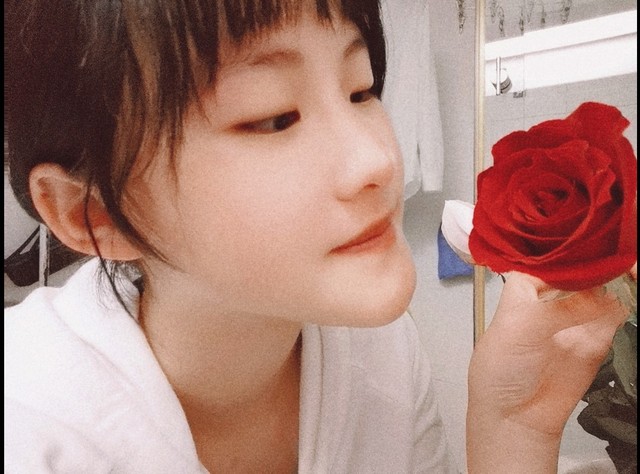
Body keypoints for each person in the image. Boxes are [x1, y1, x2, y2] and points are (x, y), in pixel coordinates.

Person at [4, 0, 630, 472]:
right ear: (94, 214)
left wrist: (513, 431)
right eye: (273, 118)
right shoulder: (28, 424)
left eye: (361, 90)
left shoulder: (379, 350)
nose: (376, 160)